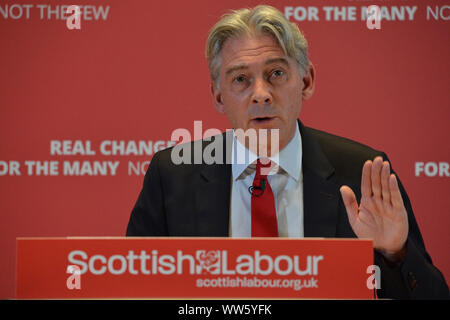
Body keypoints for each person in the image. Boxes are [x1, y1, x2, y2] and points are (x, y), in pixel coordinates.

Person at [126, 5, 449, 299]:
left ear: (306, 81)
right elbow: (132, 289)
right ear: (219, 97)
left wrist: (395, 253)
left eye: (276, 74)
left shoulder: (361, 172)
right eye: (240, 79)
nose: (261, 94)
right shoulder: (173, 174)